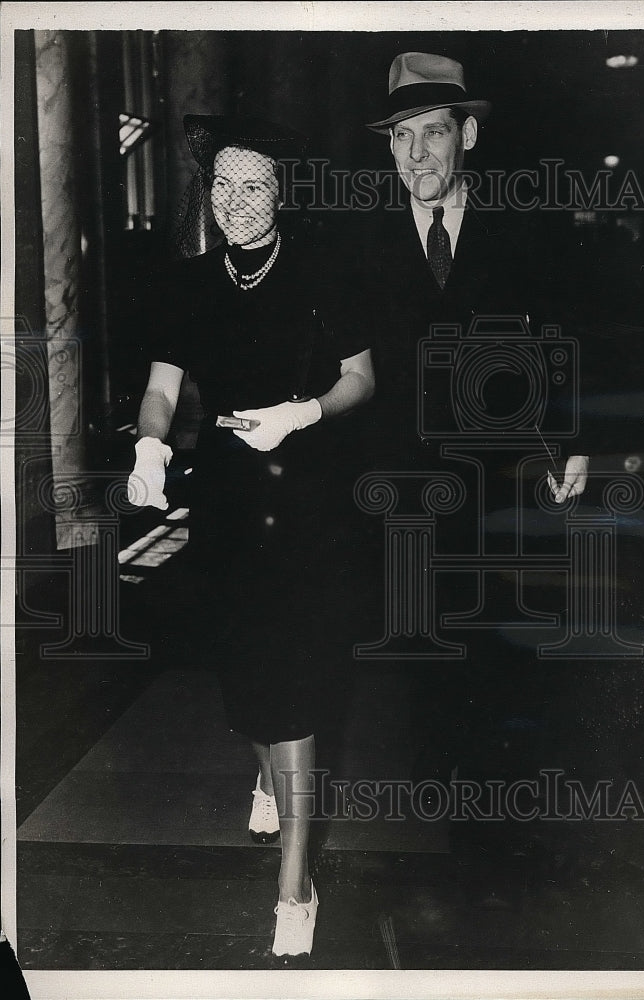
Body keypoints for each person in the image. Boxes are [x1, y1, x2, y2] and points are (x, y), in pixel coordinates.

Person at [127, 113, 374, 958]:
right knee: (249, 673)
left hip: (307, 500)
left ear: (282, 194)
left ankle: (294, 886)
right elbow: (162, 387)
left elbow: (360, 379)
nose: (235, 201)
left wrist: (299, 413)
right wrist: (151, 445)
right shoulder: (187, 285)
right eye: (222, 185)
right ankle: (269, 779)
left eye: (253, 185)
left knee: (292, 681)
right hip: (230, 501)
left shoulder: (322, 270)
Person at [350, 52, 592, 785]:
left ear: (468, 138)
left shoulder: (526, 231)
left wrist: (574, 439)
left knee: (504, 649)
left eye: (431, 132)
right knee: (419, 656)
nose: (415, 152)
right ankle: (446, 805)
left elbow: (564, 337)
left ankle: (499, 820)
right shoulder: (354, 242)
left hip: (503, 481)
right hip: (398, 485)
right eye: (399, 136)